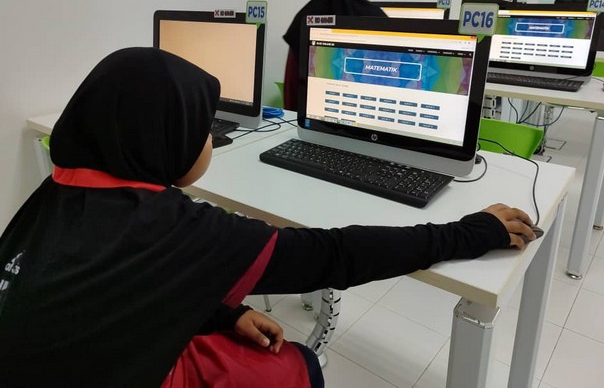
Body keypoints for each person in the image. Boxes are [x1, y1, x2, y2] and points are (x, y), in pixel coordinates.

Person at [0, 47, 535, 388]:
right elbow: (334, 256)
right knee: (297, 367)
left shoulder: (58, 190)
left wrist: (220, 313)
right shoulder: (176, 230)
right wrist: (469, 232)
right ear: (163, 137)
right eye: (203, 125)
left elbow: (115, 288)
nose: (209, 138)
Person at [282, 0, 387, 111]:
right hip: (366, 119)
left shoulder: (304, 17)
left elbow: (291, 88)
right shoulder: (375, 17)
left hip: (311, 121)